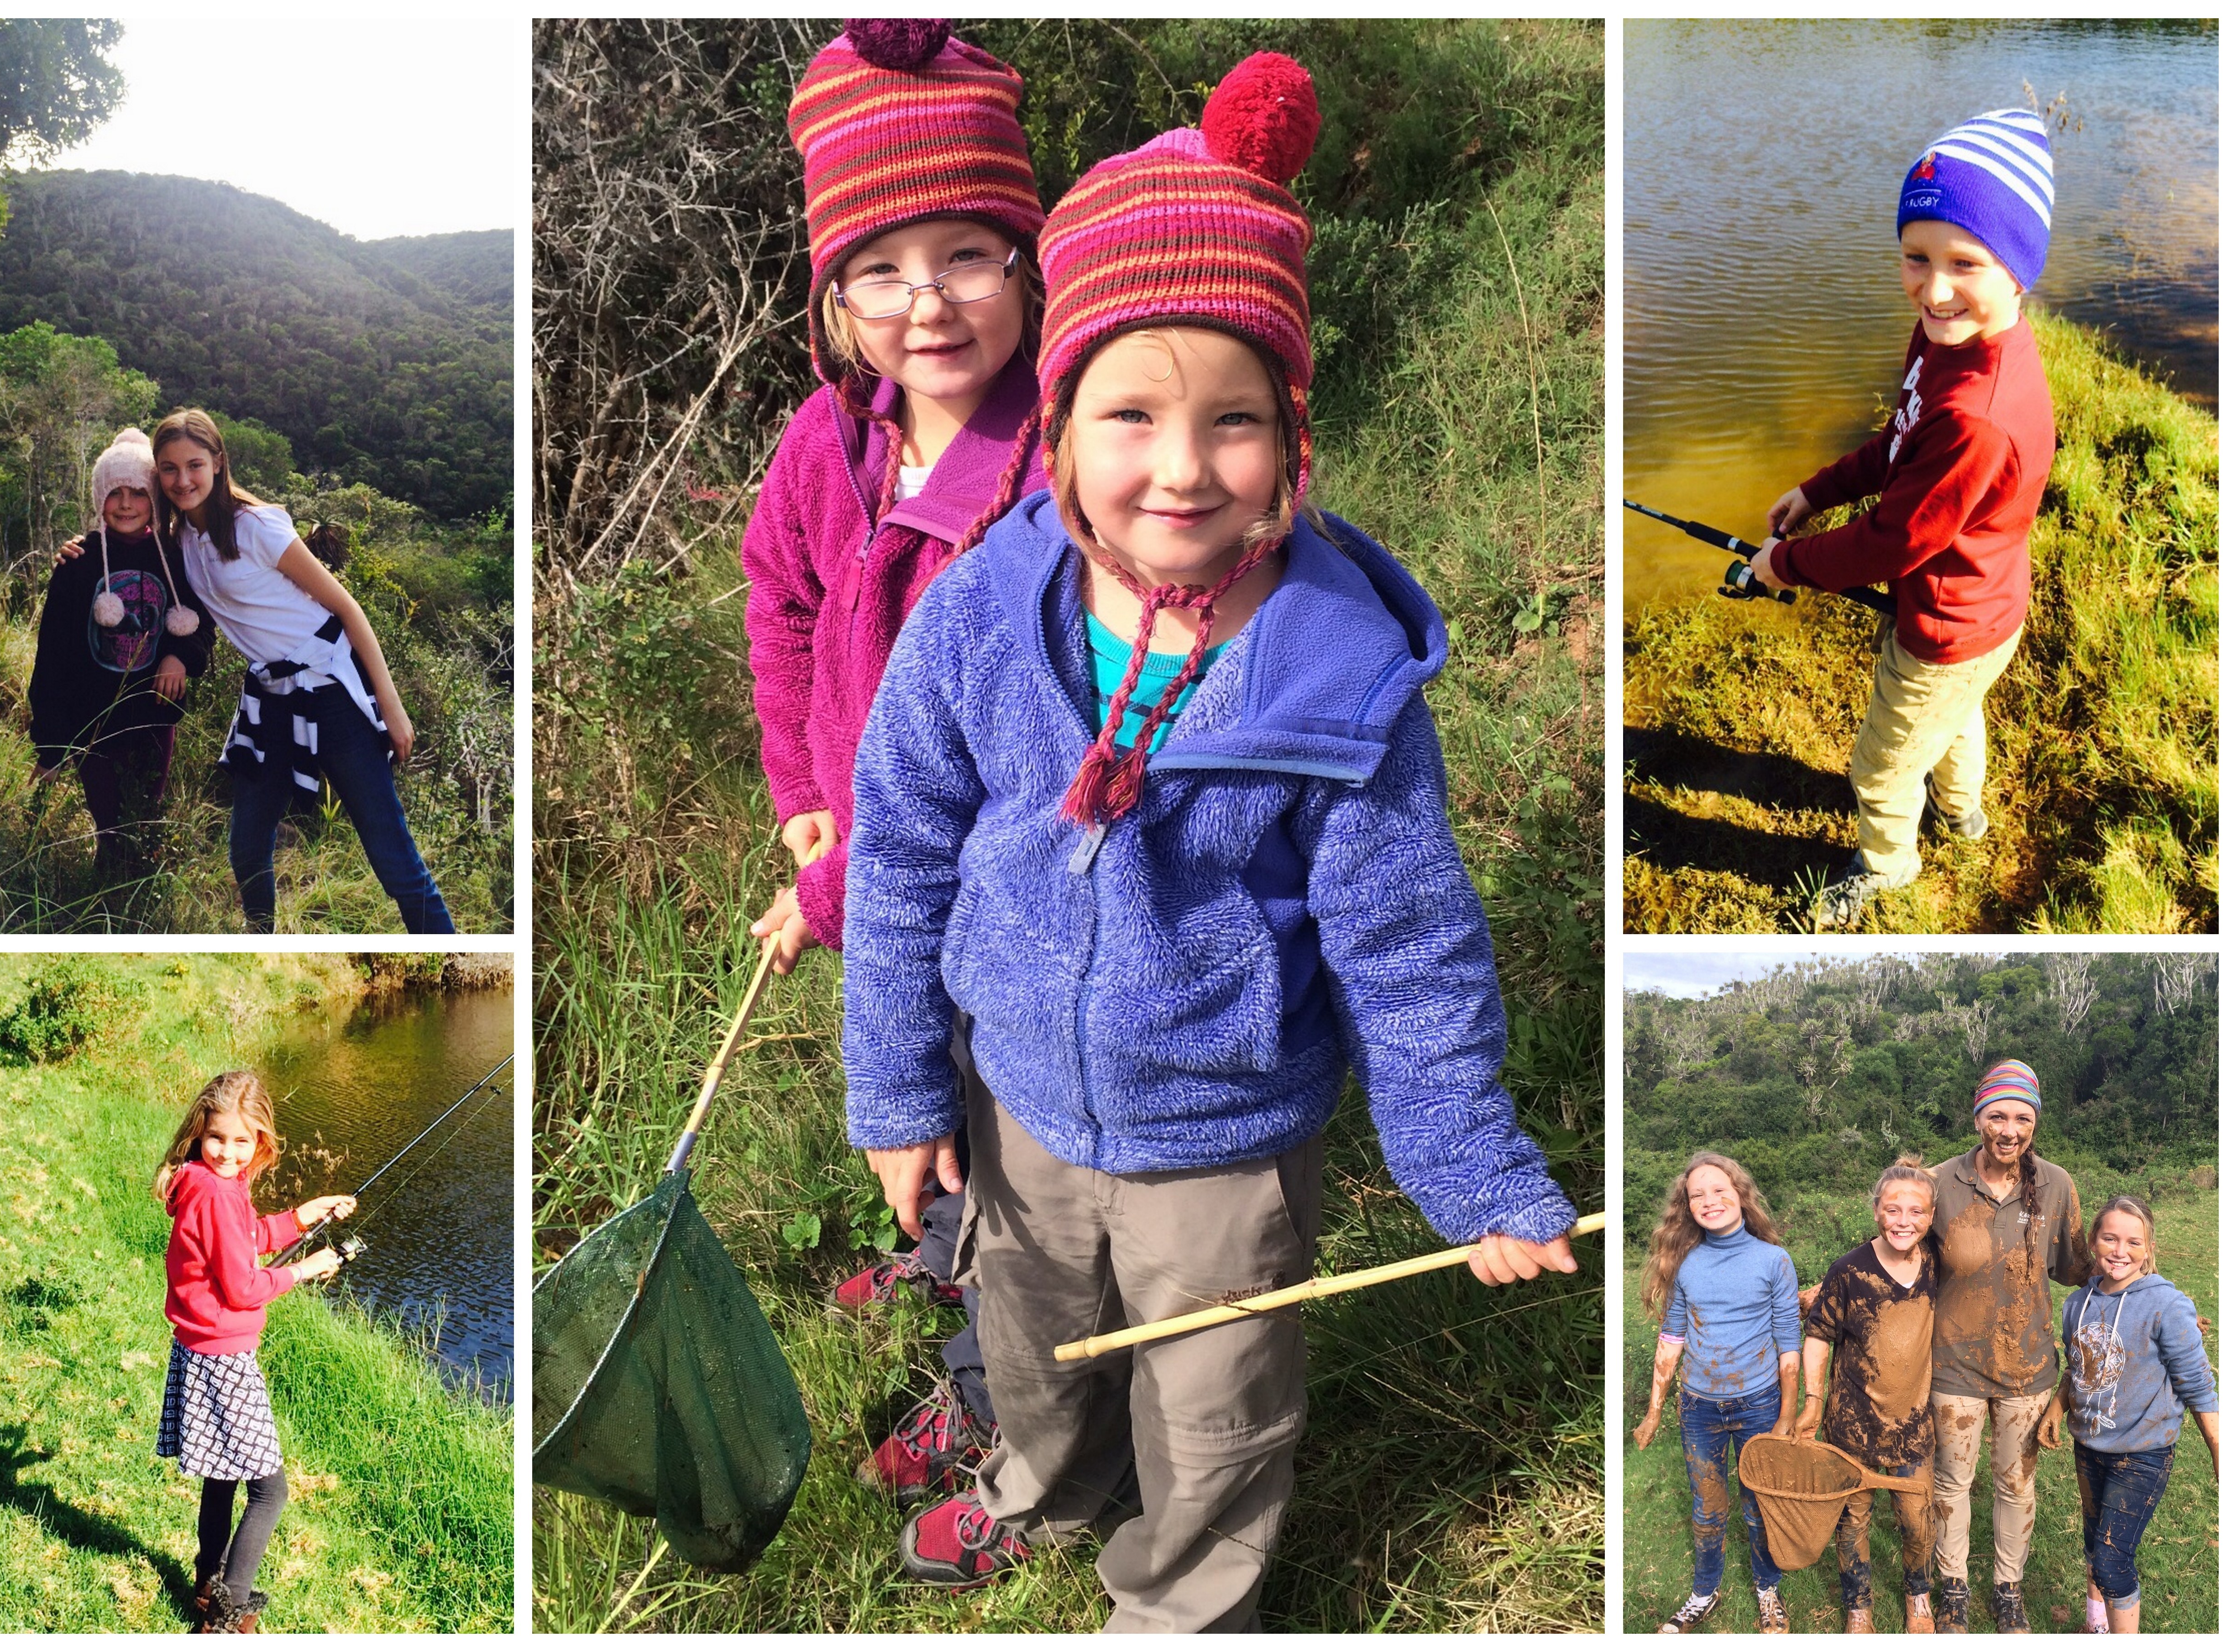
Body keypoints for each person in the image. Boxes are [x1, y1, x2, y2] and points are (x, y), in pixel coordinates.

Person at [839, 53, 1578, 1629]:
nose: (1182, 469)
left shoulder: (1339, 674)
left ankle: (1179, 1600)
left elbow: (1408, 944)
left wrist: (1468, 1168)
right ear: (1056, 426)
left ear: (1292, 433)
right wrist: (900, 1089)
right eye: (1132, 415)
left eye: (1235, 420)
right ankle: (1044, 1488)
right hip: (1019, 1095)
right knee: (1036, 1337)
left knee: (1220, 1403)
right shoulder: (982, 620)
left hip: (1230, 1137)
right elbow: (901, 854)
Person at [740, 18, 1049, 1499]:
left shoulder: (1052, 473)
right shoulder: (833, 438)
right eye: (878, 268)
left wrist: (832, 892)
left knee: (1006, 1141)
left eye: (965, 255)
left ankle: (1000, 1409)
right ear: (834, 293)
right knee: (907, 1093)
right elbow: (783, 600)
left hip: (1005, 893)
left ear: (1027, 256)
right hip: (872, 869)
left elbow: (1001, 767)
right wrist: (806, 803)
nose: (923, 304)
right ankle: (939, 1250)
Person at [1747, 110, 2059, 928]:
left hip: (1948, 625)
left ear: (2020, 270)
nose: (1936, 286)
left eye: (1966, 263)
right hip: (1980, 610)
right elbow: (1898, 439)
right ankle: (1965, 815)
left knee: (1883, 767)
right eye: (1916, 258)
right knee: (1956, 718)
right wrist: (1817, 492)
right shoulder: (1943, 342)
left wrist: (1788, 565)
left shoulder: (1979, 416)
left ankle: (1887, 865)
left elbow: (1897, 539)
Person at [154, 408, 454, 934]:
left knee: (391, 855)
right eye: (169, 469)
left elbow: (347, 609)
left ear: (219, 463)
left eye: (195, 465)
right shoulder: (181, 539)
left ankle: (448, 950)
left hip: (332, 691)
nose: (183, 480)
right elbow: (128, 541)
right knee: (247, 849)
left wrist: (392, 705)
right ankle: (259, 946)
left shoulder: (256, 527)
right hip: (269, 698)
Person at [152, 1071, 355, 1632]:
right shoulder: (218, 1190)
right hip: (224, 1355)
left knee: (221, 1474)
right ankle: (225, 1611)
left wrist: (302, 1216)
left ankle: (205, 1582)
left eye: (243, 1141)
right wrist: (307, 1268)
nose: (228, 1151)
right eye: (218, 1138)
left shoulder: (205, 1182)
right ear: (200, 1133)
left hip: (200, 1346)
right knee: (269, 1489)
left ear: (260, 1142)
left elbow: (241, 1238)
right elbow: (243, 1286)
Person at [1923, 1058, 2088, 1632]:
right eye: (1997, 1114)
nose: (2009, 1129)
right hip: (1953, 1365)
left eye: (2022, 1116)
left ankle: (2007, 1586)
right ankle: (1953, 1586)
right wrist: (1832, 1288)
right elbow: (1896, 1250)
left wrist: (2152, 1298)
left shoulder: (2056, 1184)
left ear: (2035, 1122)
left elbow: (2079, 1265)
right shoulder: (1940, 1183)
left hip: (2029, 1366)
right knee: (1950, 1481)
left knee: (2015, 1481)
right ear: (1977, 1118)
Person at [26, 426, 215, 893]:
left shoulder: (176, 556)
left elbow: (204, 620)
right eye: (115, 493)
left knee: (146, 815)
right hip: (93, 721)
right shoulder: (78, 564)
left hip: (153, 716)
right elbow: (51, 658)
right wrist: (51, 746)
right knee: (109, 820)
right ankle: (105, 897)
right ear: (99, 498)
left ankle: (140, 893)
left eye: (138, 493)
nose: (126, 504)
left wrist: (179, 656)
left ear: (155, 498)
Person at [1634, 1153, 1804, 1634]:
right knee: (1707, 1508)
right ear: (1686, 1207)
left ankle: (1767, 1590)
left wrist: (1786, 1415)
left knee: (1758, 1502)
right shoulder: (1685, 1262)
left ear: (1740, 1194)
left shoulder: (1773, 1259)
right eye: (1697, 1194)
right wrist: (1653, 1412)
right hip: (1699, 1407)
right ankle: (1702, 1592)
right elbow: (1671, 1339)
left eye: (1718, 1189)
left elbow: (1787, 1342)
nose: (1709, 1200)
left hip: (1759, 1403)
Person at [2037, 1195, 2220, 1634]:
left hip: (2143, 1452)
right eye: (2110, 1238)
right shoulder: (2076, 1304)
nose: (2121, 1251)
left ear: (2148, 1247)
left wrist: (2219, 1448)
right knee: (2095, 1543)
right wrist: (2057, 1409)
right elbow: (2080, 1369)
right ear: (2094, 1242)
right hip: (2090, 1445)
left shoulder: (2167, 1305)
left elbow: (2198, 1384)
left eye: (2133, 1242)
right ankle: (2095, 1627)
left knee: (2112, 1561)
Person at [1793, 1155, 1941, 1634]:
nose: (1904, 1220)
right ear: (1876, 1209)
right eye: (1893, 1209)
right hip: (1851, 1421)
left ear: (1931, 1215)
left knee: (1916, 1518)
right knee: (1852, 1515)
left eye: (1916, 1211)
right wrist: (1812, 1401)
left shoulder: (1937, 1263)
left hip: (1913, 1422)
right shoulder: (1848, 1270)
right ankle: (1858, 1604)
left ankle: (1917, 1595)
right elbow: (1818, 1333)